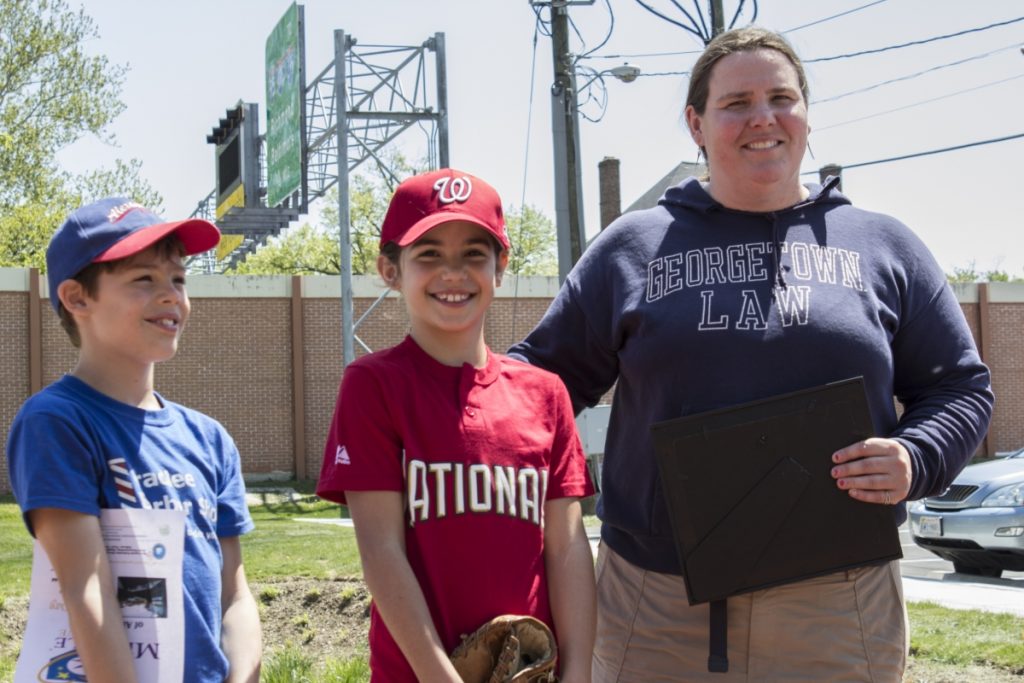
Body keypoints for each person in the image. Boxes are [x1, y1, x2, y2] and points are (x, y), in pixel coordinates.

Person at [509, 27, 993, 682]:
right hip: (657, 606)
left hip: (837, 607)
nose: (762, 118)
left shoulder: (884, 246)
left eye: (781, 98)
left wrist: (916, 455)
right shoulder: (633, 248)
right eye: (736, 103)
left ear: (806, 115)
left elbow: (960, 388)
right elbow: (535, 388)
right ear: (696, 124)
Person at [316, 168, 596, 682]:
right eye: (428, 255)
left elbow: (567, 546)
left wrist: (577, 673)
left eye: (474, 254)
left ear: (501, 266)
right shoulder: (374, 384)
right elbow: (380, 550)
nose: (453, 273)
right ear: (389, 269)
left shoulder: (545, 393)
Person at [6, 198, 262, 683]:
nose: (171, 296)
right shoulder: (57, 422)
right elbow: (88, 591)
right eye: (144, 279)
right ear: (78, 298)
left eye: (179, 279)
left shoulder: (210, 439)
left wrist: (242, 674)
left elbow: (235, 594)